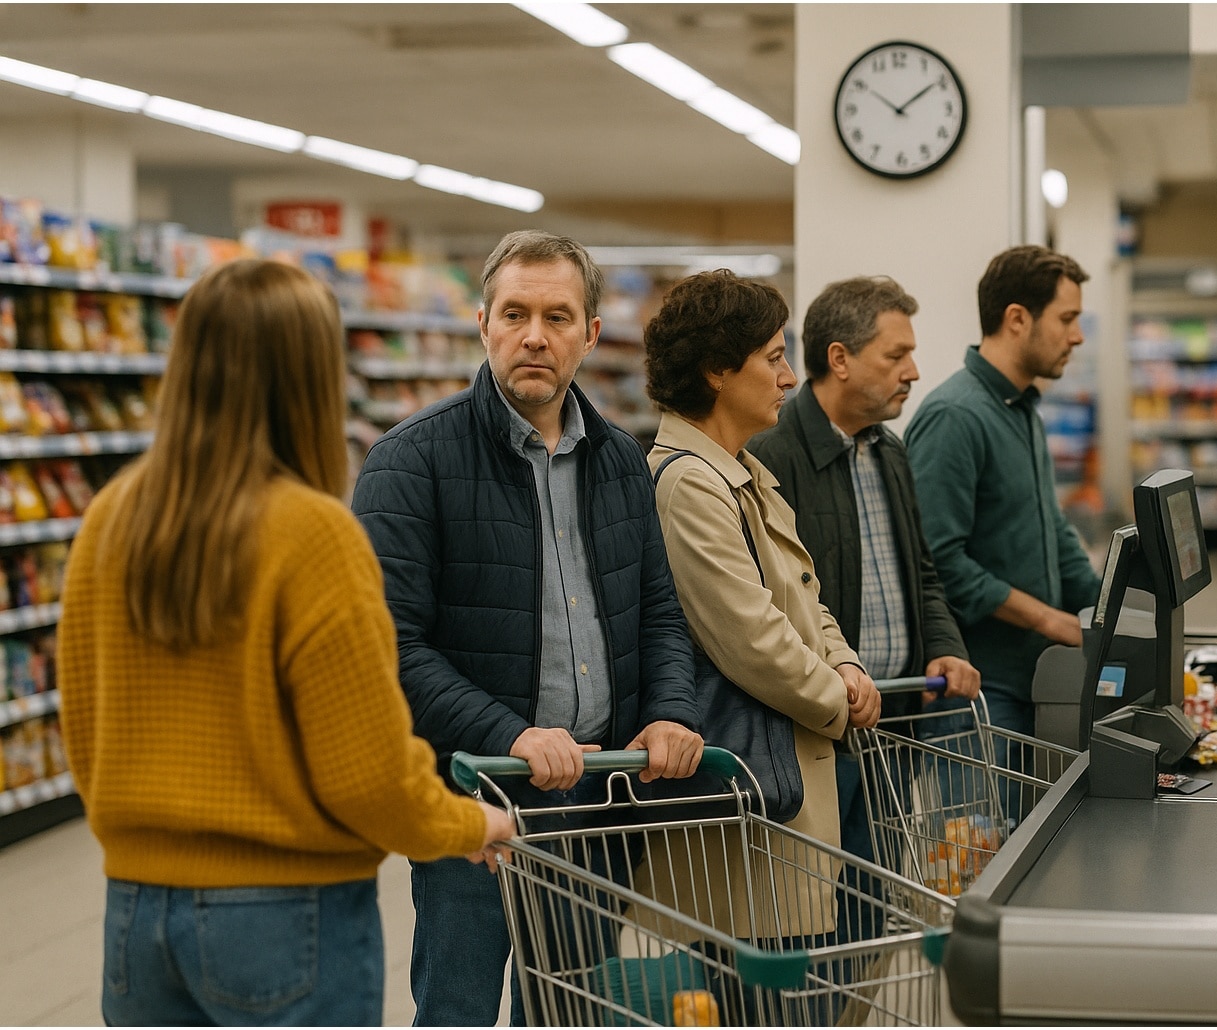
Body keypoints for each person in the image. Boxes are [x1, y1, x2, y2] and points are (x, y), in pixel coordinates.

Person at [56, 259, 516, 1027]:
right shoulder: (311, 532)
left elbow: (85, 725)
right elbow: (364, 773)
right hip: (283, 915)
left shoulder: (112, 517)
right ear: (310, 374)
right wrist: (468, 822)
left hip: (136, 916)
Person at [350, 230, 703, 1026]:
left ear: (591, 336)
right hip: (473, 797)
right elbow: (389, 648)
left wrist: (672, 710)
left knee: (572, 1011)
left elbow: (659, 613)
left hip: (599, 796)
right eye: (514, 313)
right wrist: (510, 734)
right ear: (483, 324)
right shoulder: (411, 463)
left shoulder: (620, 461)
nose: (534, 335)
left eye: (556, 315)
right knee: (461, 1009)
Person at [635, 269, 880, 984]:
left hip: (791, 780)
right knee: (767, 995)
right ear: (717, 369)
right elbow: (750, 637)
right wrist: (839, 702)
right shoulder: (687, 483)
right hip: (750, 801)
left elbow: (806, 599)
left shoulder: (744, 474)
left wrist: (848, 665)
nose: (787, 376)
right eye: (772, 357)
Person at [747, 275, 981, 930]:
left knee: (867, 917)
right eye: (895, 355)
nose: (913, 371)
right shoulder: (771, 457)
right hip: (816, 738)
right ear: (840, 358)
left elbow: (922, 573)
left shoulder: (890, 452)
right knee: (805, 918)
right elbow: (767, 606)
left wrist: (945, 646)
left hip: (892, 728)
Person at [905, 245, 1102, 743]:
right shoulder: (956, 416)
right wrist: (1049, 620)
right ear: (1017, 318)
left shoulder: (1021, 410)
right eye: (1067, 319)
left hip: (1032, 677)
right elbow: (938, 559)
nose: (1076, 336)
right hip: (978, 686)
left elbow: (1052, 530)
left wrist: (1108, 607)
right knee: (981, 825)